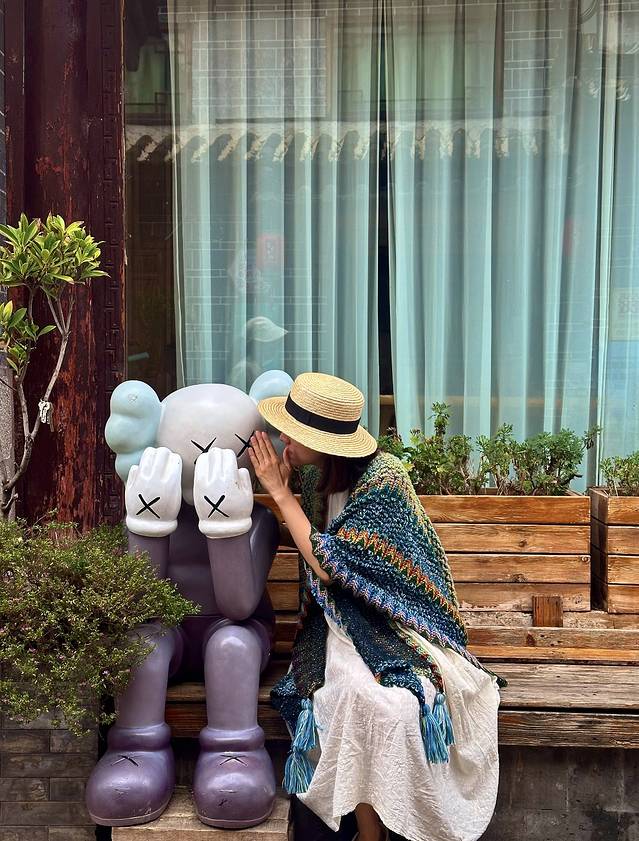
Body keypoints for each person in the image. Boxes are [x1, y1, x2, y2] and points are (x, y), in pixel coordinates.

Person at [248, 372, 501, 841]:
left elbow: (329, 565)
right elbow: (319, 555)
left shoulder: (384, 480)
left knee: (397, 704)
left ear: (325, 443)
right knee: (349, 695)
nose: (284, 441)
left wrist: (279, 494)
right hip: (336, 622)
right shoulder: (316, 476)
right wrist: (277, 498)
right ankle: (370, 833)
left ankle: (387, 827)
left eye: (293, 434)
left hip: (394, 621)